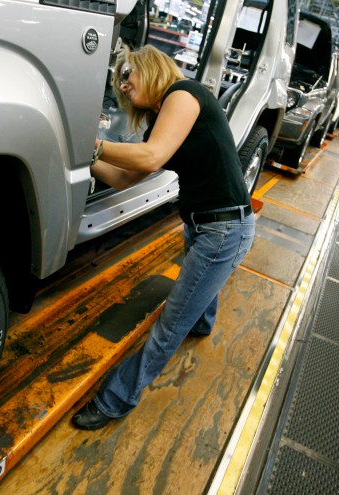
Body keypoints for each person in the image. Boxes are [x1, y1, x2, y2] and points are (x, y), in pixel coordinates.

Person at [71, 45, 256, 430]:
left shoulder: (184, 93)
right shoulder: (163, 119)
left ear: (149, 67)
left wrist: (94, 144)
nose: (122, 86)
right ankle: (202, 324)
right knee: (198, 298)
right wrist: (82, 158)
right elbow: (123, 177)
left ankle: (114, 400)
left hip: (224, 229)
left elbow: (151, 157)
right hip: (204, 224)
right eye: (119, 81)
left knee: (171, 324)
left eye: (127, 75)